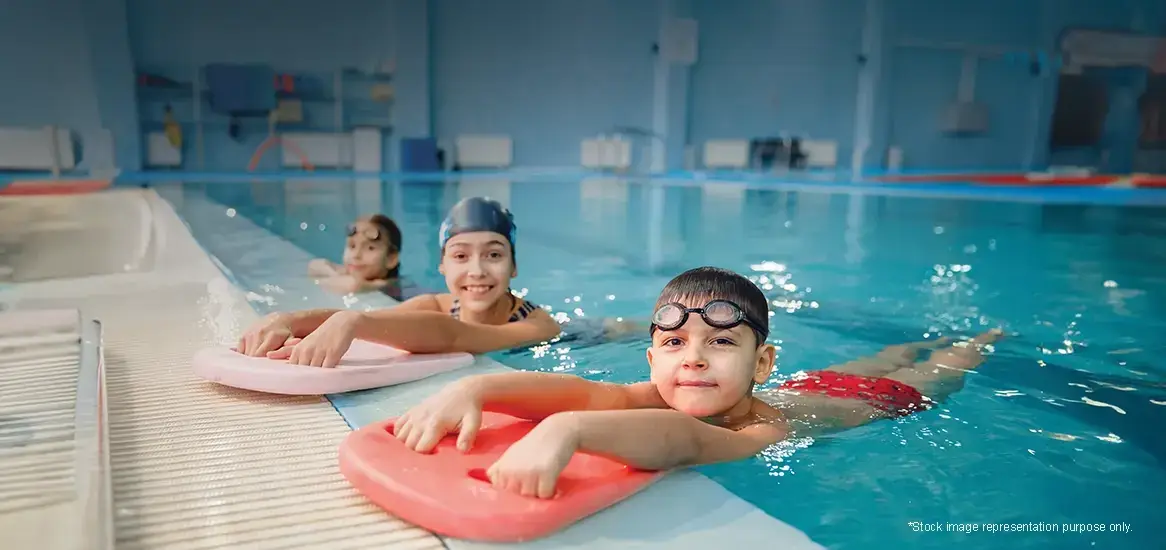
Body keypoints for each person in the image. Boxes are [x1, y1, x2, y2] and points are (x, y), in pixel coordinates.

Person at [390, 266, 1003, 499]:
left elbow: (685, 441)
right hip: (822, 378)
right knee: (887, 352)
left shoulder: (762, 425)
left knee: (940, 365)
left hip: (889, 403)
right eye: (676, 344)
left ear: (762, 364)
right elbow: (584, 392)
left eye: (722, 343)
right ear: (652, 359)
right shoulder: (661, 390)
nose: (696, 360)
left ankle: (986, 338)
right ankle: (928, 338)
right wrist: (475, 390)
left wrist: (570, 431)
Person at [236, 197, 563, 365]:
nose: (476, 270)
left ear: (514, 266)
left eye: (493, 255)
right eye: (460, 256)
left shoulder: (539, 326)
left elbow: (454, 337)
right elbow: (379, 322)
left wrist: (352, 321)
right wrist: (288, 320)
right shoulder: (436, 304)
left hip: (581, 338)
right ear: (442, 267)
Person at [307, 214, 422, 300]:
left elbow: (353, 285)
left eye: (370, 248)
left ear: (391, 259)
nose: (356, 255)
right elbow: (315, 265)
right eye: (352, 246)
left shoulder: (390, 285)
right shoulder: (350, 271)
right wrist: (337, 273)